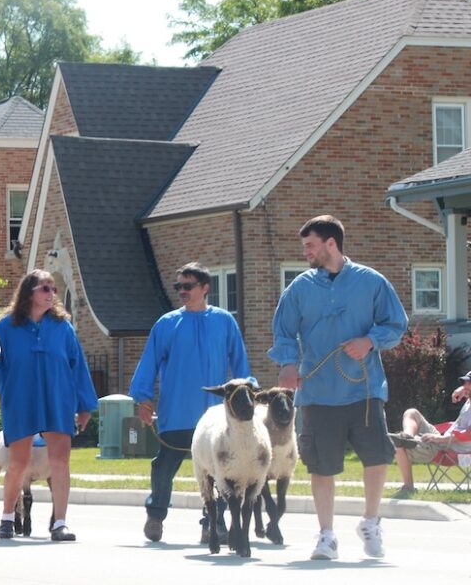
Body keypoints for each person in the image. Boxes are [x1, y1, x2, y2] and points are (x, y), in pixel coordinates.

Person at [270, 215, 407, 561]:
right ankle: (327, 536)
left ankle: (371, 522)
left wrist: (370, 341)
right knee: (321, 465)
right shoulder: (299, 288)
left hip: (364, 390)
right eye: (305, 246)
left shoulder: (371, 282)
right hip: (316, 392)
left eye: (310, 245)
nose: (306, 252)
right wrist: (288, 364)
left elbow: (396, 323)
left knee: (377, 457)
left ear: (331, 244)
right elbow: (284, 331)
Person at [129, 262, 249, 544]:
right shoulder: (167, 323)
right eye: (178, 286)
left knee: (218, 473)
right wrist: (144, 400)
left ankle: (213, 523)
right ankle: (156, 515)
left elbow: (240, 362)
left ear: (205, 288)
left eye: (188, 286)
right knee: (163, 467)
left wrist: (246, 393)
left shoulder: (224, 321)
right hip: (176, 412)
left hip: (214, 420)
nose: (182, 291)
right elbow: (149, 363)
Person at [0, 269, 98, 541]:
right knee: (19, 462)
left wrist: (84, 406)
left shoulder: (62, 327)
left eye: (53, 289)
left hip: (58, 399)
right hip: (21, 399)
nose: (51, 294)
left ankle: (59, 523)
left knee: (60, 462)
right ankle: (8, 518)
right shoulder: (6, 328)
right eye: (45, 288)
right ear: (29, 292)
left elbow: (77, 366)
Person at [390, 372, 471, 496]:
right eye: (465, 383)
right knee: (412, 413)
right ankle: (408, 437)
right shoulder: (469, 400)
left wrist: (439, 439)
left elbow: (467, 435)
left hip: (449, 449)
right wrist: (462, 389)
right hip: (443, 441)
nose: (465, 385)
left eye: (468, 383)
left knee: (399, 446)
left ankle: (408, 487)